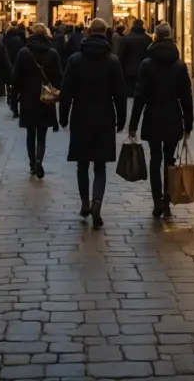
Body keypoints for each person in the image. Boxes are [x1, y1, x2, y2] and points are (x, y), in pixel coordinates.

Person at [59, 18, 126, 229]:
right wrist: (122, 117)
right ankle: (97, 200)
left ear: (88, 32)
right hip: (105, 116)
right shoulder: (113, 61)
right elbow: (120, 94)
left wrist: (62, 115)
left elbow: (67, 90)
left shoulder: (75, 60)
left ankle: (85, 202)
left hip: (81, 116)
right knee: (100, 164)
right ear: (105, 33)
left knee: (82, 163)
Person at [129, 22, 194, 219]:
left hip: (153, 115)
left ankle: (157, 200)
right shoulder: (180, 64)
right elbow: (186, 97)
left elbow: (139, 96)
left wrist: (133, 125)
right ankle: (167, 200)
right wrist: (188, 124)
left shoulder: (147, 64)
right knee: (169, 160)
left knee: (155, 159)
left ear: (155, 37)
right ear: (171, 37)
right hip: (173, 115)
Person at [12, 23, 63, 179]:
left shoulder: (24, 52)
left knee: (30, 132)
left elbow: (16, 77)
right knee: (42, 133)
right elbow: (59, 77)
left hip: (28, 97)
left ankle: (32, 162)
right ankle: (40, 159)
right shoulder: (52, 53)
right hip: (45, 97)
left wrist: (14, 98)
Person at [119, 18, 152, 97]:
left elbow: (121, 56)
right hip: (143, 69)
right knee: (141, 93)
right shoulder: (148, 39)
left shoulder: (125, 39)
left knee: (129, 94)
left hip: (128, 70)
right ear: (142, 26)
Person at [3, 26, 26, 117]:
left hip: (7, 65)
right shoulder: (18, 40)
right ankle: (15, 107)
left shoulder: (5, 40)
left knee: (10, 86)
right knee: (17, 87)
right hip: (16, 65)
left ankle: (10, 98)